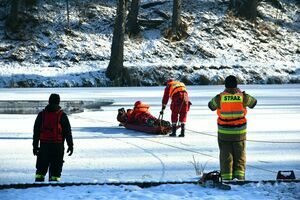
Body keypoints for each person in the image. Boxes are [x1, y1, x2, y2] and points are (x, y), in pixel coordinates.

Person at [208, 75, 257, 180]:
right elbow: (254, 103)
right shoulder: (243, 97)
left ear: (225, 85)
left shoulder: (220, 97)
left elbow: (211, 106)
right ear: (236, 85)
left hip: (224, 133)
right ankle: (239, 179)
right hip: (239, 133)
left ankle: (226, 179)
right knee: (239, 158)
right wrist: (242, 94)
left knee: (226, 158)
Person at [33, 93, 73, 182]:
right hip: (57, 147)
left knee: (40, 172)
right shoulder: (62, 115)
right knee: (55, 174)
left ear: (49, 101)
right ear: (58, 102)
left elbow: (36, 132)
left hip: (44, 146)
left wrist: (35, 146)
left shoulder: (41, 115)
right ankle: (54, 191)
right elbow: (67, 132)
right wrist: (70, 146)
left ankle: (38, 189)